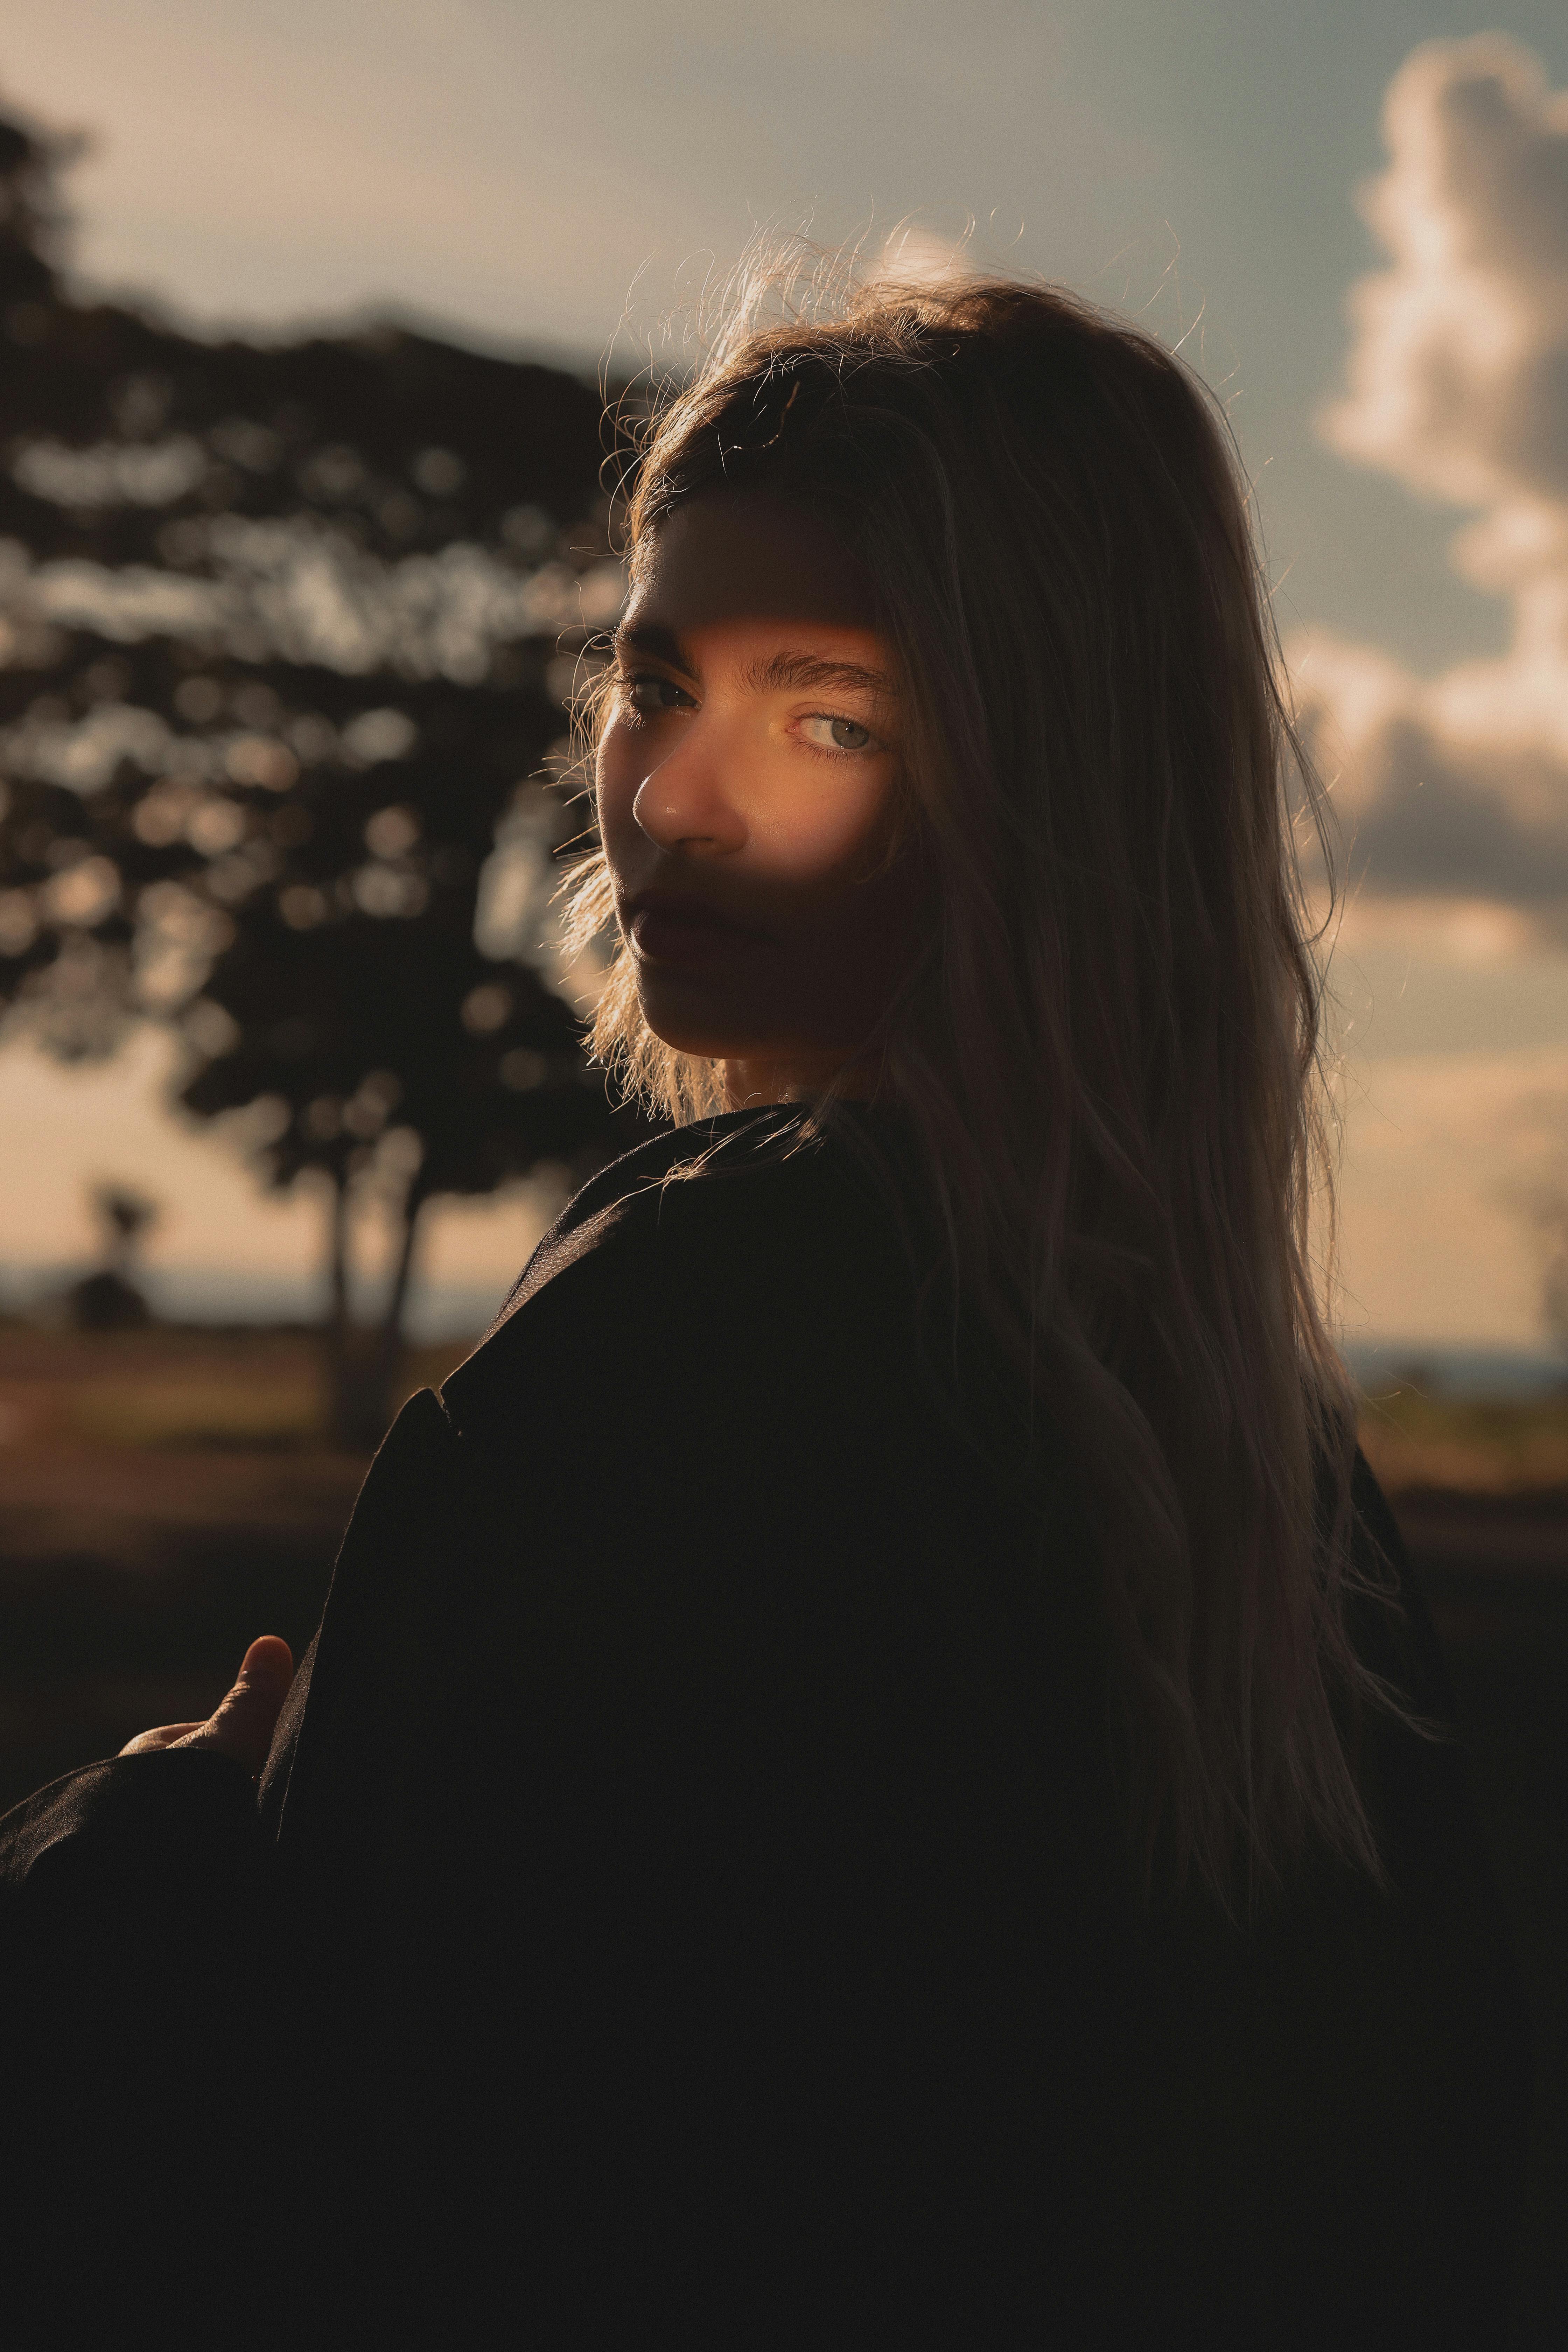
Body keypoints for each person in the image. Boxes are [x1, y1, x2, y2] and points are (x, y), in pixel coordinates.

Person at [0, 260, 1531, 2346]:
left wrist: (149, 1839)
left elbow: (360, 2182)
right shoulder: (1248, 1456)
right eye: (653, 686)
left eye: (832, 721)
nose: (674, 800)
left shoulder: (697, 1336)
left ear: (1046, 788)